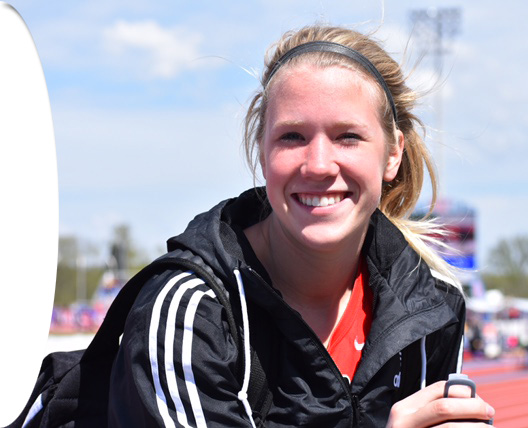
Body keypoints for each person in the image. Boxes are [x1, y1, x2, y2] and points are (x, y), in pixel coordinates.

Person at [108, 25, 495, 427]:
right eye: (292, 137)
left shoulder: (432, 309)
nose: (319, 165)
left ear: (393, 154)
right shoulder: (189, 313)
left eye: (348, 136)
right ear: (262, 151)